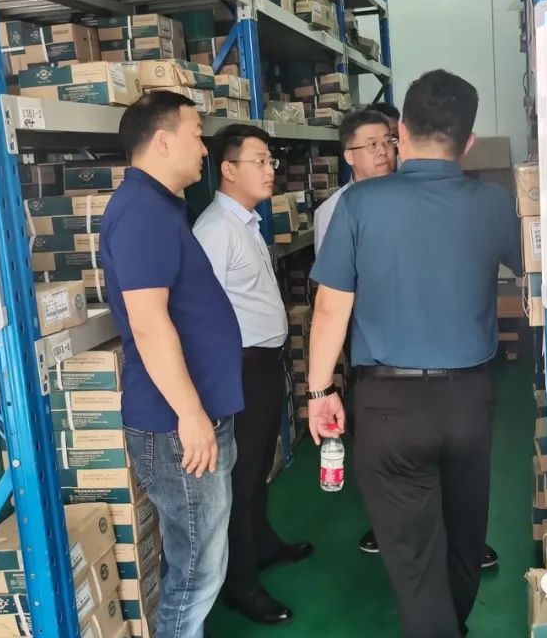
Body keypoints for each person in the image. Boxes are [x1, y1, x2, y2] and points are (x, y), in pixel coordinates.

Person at [306, 70, 522, 638]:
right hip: (469, 401)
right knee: (465, 537)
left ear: (400, 131)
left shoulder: (360, 203)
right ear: (468, 141)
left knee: (412, 555)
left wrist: (320, 391)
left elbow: (330, 308)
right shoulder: (494, 204)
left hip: (387, 406)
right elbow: (541, 275)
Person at [99, 92, 244, 638]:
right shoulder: (141, 213)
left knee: (195, 562)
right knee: (198, 573)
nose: (205, 149)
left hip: (188, 418)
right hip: (175, 425)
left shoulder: (160, 208)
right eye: (196, 135)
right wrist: (190, 413)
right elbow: (148, 323)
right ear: (162, 141)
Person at [193, 124, 314, 625]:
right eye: (259, 161)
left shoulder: (245, 222)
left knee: (259, 464)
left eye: (271, 161)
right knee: (240, 480)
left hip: (263, 364)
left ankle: (262, 545)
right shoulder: (214, 230)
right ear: (228, 168)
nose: (271, 170)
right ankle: (240, 584)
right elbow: (200, 314)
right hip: (238, 369)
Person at [314, 108, 396, 254]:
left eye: (388, 141)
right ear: (350, 157)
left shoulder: (411, 197)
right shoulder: (331, 212)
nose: (383, 151)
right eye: (372, 145)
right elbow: (332, 267)